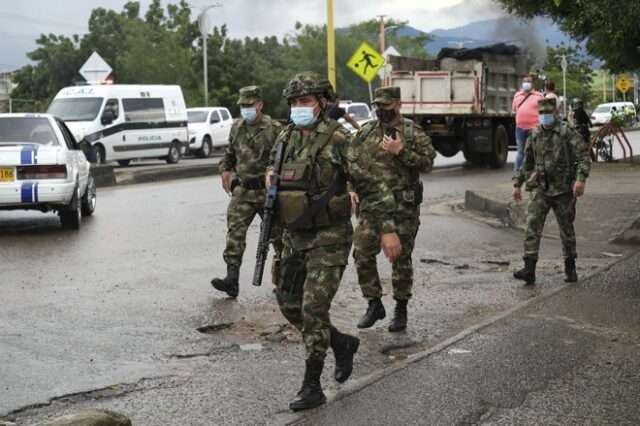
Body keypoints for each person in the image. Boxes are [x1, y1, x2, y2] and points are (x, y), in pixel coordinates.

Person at [268, 72, 401, 411]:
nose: (299, 107)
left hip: (329, 237)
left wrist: (387, 228)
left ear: (322, 103)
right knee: (289, 304)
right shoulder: (285, 138)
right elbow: (276, 183)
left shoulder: (341, 140)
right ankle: (341, 343)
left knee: (313, 309)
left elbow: (373, 184)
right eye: (295, 102)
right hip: (293, 236)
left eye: (306, 101)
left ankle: (312, 385)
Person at [350, 86, 436, 332]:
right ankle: (374, 303)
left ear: (398, 104)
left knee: (400, 257)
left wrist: (402, 152)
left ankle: (400, 307)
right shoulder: (366, 132)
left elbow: (428, 162)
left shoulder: (411, 131)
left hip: (403, 206)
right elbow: (350, 162)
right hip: (372, 206)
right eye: (377, 106)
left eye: (386, 106)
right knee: (362, 253)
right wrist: (350, 187)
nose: (381, 111)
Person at [210, 85, 283, 298]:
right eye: (242, 105)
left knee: (278, 237)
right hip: (242, 191)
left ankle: (285, 280)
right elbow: (230, 154)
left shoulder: (274, 129)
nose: (245, 109)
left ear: (259, 105)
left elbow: (281, 159)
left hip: (267, 192)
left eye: (249, 105)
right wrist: (224, 169)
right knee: (235, 234)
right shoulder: (237, 127)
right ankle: (231, 279)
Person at [512, 98, 591, 285]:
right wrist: (517, 184)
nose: (544, 117)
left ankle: (570, 267)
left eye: (548, 113)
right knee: (532, 225)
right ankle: (529, 269)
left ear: (556, 113)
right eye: (541, 113)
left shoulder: (567, 132)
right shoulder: (535, 134)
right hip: (541, 188)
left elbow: (584, 157)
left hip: (563, 190)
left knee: (566, 229)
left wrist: (580, 179)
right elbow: (527, 162)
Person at [512, 76, 544, 174]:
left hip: (534, 129)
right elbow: (514, 109)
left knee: (535, 151)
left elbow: (544, 110)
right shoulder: (517, 95)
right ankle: (517, 172)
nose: (526, 83)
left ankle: (535, 172)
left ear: (532, 83)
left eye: (529, 82)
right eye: (525, 82)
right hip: (520, 128)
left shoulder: (539, 96)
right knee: (521, 151)